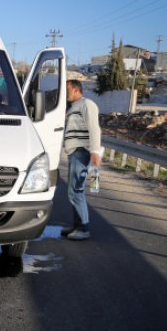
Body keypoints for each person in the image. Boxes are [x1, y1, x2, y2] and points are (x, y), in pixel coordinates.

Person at [62, 79, 102, 240]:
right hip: (74, 151)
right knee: (73, 190)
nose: (66, 93)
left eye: (68, 90)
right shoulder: (73, 107)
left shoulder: (87, 104)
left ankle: (83, 229)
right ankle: (77, 226)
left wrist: (95, 151)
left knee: (76, 190)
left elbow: (94, 127)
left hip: (81, 151)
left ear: (77, 90)